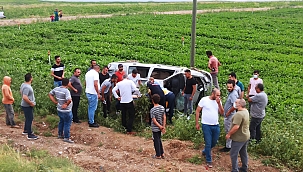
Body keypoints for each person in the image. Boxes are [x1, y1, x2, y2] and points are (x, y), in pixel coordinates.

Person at [195, 88, 224, 168]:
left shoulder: (218, 101)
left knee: (214, 142)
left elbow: (222, 113)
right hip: (206, 125)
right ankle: (209, 161)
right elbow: (197, 111)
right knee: (208, 143)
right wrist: (197, 123)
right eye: (217, 95)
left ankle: (205, 151)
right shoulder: (204, 100)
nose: (218, 97)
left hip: (215, 124)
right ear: (213, 94)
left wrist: (219, 104)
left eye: (219, 95)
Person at [225, 99, 250, 172]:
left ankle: (235, 170)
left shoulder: (238, 114)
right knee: (243, 152)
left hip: (239, 138)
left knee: (233, 154)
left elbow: (236, 127)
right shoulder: (246, 111)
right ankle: (244, 167)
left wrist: (229, 134)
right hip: (245, 136)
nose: (234, 103)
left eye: (236, 102)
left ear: (240, 105)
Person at [49, 78, 74, 143]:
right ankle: (66, 137)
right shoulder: (66, 91)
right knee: (67, 124)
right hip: (66, 111)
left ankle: (60, 134)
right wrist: (66, 104)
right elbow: (69, 100)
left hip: (59, 109)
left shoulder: (56, 89)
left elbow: (50, 94)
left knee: (61, 122)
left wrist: (54, 101)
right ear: (68, 83)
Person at [221, 80, 239, 152]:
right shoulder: (231, 93)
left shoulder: (233, 94)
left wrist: (228, 112)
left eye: (230, 87)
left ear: (234, 86)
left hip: (230, 115)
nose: (229, 88)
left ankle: (228, 146)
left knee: (229, 130)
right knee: (228, 129)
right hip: (229, 115)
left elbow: (235, 106)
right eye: (228, 87)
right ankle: (229, 145)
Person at [20, 73, 38, 140]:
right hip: (27, 105)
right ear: (31, 78)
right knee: (30, 119)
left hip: (25, 104)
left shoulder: (23, 84)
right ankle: (30, 134)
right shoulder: (27, 87)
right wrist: (30, 103)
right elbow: (25, 97)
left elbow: (21, 92)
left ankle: (26, 130)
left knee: (27, 118)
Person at [150, 94, 166, 159]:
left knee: (156, 140)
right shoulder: (162, 108)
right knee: (159, 139)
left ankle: (158, 155)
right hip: (161, 127)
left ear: (152, 101)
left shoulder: (152, 110)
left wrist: (159, 126)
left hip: (155, 128)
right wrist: (163, 126)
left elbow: (154, 120)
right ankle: (162, 153)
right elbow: (164, 117)